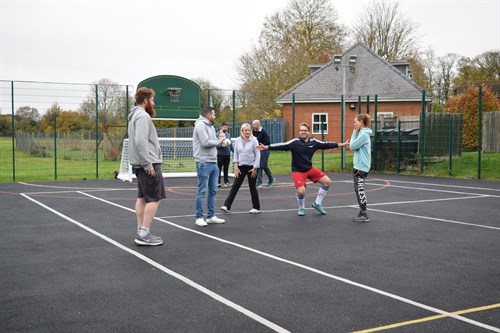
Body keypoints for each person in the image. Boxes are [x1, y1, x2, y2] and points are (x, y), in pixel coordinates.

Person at [258, 122, 348, 216]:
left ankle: (317, 203)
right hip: (297, 171)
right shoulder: (295, 142)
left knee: (327, 182)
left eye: (305, 130)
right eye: (301, 130)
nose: (303, 132)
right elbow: (282, 145)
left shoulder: (314, 142)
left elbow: (327, 144)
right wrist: (267, 147)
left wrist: (342, 145)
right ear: (299, 131)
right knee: (301, 191)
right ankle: (301, 208)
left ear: (308, 132)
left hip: (309, 169)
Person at [127, 87, 165, 246]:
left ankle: (141, 230)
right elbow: (140, 141)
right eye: (152, 99)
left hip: (140, 164)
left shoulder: (134, 116)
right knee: (155, 199)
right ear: (146, 100)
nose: (154, 103)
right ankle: (144, 233)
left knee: (142, 198)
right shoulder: (142, 116)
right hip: (147, 164)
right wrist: (148, 163)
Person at [193, 106, 226, 227]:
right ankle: (199, 217)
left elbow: (213, 142)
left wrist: (222, 143)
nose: (215, 116)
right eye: (214, 114)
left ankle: (211, 216)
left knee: (213, 190)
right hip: (203, 162)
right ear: (208, 115)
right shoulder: (200, 125)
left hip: (213, 162)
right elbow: (205, 143)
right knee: (202, 190)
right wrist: (219, 141)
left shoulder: (210, 126)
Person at [220, 123, 261, 214]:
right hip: (241, 167)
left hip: (252, 167)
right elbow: (235, 154)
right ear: (242, 131)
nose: (247, 132)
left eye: (249, 130)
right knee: (235, 185)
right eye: (245, 130)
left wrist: (255, 167)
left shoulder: (254, 140)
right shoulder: (238, 140)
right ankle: (227, 206)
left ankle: (256, 207)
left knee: (252, 186)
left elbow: (258, 154)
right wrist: (236, 166)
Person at [348, 114, 373, 222]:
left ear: (361, 122)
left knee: (359, 188)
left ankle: (364, 213)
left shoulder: (363, 135)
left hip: (361, 167)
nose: (354, 124)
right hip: (359, 166)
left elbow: (352, 146)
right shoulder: (362, 133)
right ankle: (362, 211)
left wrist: (354, 132)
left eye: (355, 122)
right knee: (357, 188)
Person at [252, 120, 275, 187]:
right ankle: (259, 181)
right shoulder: (254, 132)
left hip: (265, 150)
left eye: (254, 125)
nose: (253, 126)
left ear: (258, 125)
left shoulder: (264, 132)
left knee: (264, 165)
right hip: (258, 150)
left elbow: (268, 142)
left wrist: (262, 146)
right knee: (258, 165)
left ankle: (271, 179)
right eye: (253, 125)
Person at [216, 122, 232, 187]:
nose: (226, 128)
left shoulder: (228, 134)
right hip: (220, 154)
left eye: (226, 127)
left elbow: (230, 144)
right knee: (219, 168)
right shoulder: (217, 134)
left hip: (227, 154)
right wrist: (221, 146)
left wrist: (233, 150)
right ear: (221, 127)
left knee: (226, 168)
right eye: (224, 127)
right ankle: (218, 182)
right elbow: (216, 144)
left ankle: (226, 182)